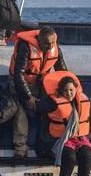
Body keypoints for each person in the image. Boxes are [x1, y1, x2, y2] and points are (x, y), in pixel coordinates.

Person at [9, 26, 66, 159]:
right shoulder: (26, 46)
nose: (50, 46)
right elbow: (18, 74)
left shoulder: (55, 48)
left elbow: (62, 71)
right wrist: (28, 97)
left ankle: (47, 147)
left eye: (52, 43)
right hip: (20, 81)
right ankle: (20, 148)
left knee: (51, 108)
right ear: (39, 40)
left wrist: (67, 90)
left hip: (41, 82)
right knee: (21, 110)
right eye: (47, 43)